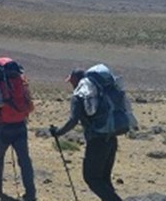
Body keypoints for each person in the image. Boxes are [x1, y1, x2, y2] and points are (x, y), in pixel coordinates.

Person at [49, 68, 124, 201]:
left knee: (92, 178)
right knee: (104, 178)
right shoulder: (99, 92)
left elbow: (73, 120)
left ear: (76, 80)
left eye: (71, 82)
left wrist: (58, 132)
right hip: (111, 138)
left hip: (97, 141)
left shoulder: (80, 95)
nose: (72, 85)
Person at [0, 58, 36, 201]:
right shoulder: (21, 83)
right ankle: (31, 193)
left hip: (2, 128)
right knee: (24, 161)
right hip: (20, 127)